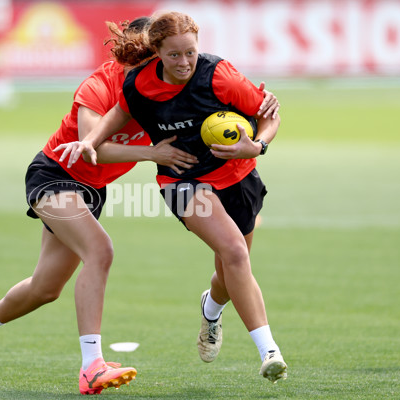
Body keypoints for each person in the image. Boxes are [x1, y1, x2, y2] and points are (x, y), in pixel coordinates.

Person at [0, 17, 203, 395]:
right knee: (100, 250)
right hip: (54, 175)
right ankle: (91, 366)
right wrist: (152, 153)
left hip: (92, 190)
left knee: (45, 288)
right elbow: (92, 146)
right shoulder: (101, 84)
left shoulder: (164, 88)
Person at [56, 11, 287, 383]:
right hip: (182, 181)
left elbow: (269, 116)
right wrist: (90, 140)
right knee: (233, 252)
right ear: (158, 52)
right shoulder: (140, 85)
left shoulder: (219, 75)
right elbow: (117, 114)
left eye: (190, 53)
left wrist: (256, 146)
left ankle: (210, 309)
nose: (184, 63)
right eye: (174, 55)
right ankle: (269, 351)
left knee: (227, 275)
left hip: (238, 176)